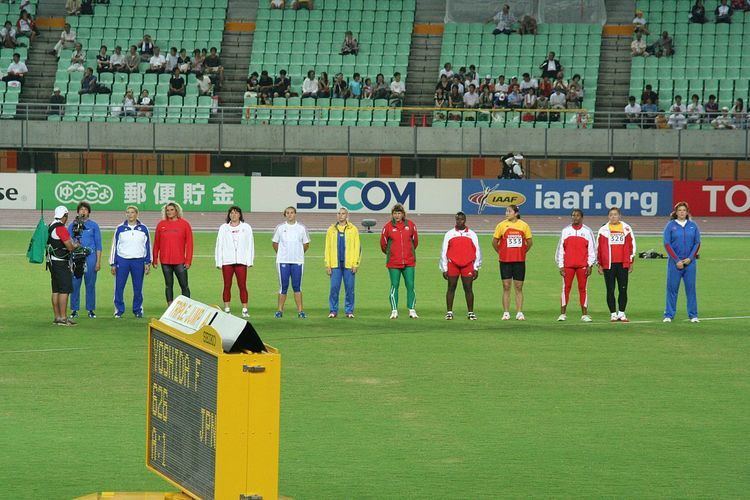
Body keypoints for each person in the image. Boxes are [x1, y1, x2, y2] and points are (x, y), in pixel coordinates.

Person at [492, 204, 533, 320]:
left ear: (516, 213)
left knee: (519, 287)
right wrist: (501, 252)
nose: (506, 213)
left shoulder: (524, 225)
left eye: (509, 211)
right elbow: (494, 242)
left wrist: (523, 252)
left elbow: (529, 242)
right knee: (506, 286)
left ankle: (519, 312)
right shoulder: (501, 225)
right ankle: (506, 312)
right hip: (505, 261)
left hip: (519, 261)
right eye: (506, 211)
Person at [110, 206, 151, 318]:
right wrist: (113, 263)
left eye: (132, 212)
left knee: (138, 287)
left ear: (137, 214)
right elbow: (114, 246)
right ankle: (119, 310)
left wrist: (148, 262)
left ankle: (137, 309)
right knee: (119, 286)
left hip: (138, 261)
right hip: (122, 260)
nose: (130, 214)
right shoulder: (120, 228)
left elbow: (148, 246)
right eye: (128, 212)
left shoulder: (143, 228)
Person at [555, 209, 596, 322]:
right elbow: (560, 250)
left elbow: (592, 250)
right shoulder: (565, 231)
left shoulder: (587, 231)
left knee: (583, 289)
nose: (575, 217)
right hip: (568, 266)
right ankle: (562, 314)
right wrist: (561, 266)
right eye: (573, 215)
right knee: (565, 289)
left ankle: (584, 315)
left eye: (577, 215)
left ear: (582, 217)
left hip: (582, 266)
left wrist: (590, 265)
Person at [663, 202, 701, 323]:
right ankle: (669, 315)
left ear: (687, 212)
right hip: (675, 264)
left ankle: (693, 315)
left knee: (691, 289)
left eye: (684, 210)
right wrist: (677, 260)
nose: (682, 212)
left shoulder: (693, 226)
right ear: (676, 212)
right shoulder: (670, 226)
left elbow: (697, 243)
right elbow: (667, 244)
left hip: (690, 263)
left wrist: (690, 258)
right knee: (672, 289)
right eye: (679, 210)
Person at [596, 207, 636, 322]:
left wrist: (631, 261)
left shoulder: (626, 228)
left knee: (623, 289)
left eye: (615, 214)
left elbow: (631, 245)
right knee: (610, 289)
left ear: (620, 216)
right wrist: (599, 264)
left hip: (622, 264)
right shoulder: (603, 230)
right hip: (608, 265)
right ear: (608, 217)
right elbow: (598, 248)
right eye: (611, 215)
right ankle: (613, 313)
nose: (613, 216)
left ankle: (622, 313)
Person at [440, 212, 481, 321]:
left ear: (465, 220)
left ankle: (471, 313)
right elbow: (444, 251)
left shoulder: (472, 234)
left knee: (468, 288)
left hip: (467, 265)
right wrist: (444, 268)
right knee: (451, 287)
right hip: (452, 264)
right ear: (455, 220)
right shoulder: (449, 234)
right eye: (458, 219)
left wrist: (476, 267)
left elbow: (477, 251)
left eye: (461, 219)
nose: (459, 221)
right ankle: (449, 312)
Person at [215, 206, 254, 318]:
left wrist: (249, 260)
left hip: (241, 261)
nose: (233, 215)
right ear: (229, 215)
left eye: (236, 213)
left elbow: (250, 244)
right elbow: (219, 244)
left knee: (242, 285)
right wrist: (219, 261)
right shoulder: (223, 228)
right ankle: (227, 308)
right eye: (231, 213)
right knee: (227, 285)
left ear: (240, 215)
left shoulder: (246, 227)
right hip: (227, 261)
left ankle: (245, 309)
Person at [380, 204, 419, 319]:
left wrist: (408, 253)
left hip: (409, 262)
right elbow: (383, 244)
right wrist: (391, 253)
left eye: (399, 213)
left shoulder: (411, 225)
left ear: (403, 214)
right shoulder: (387, 227)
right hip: (393, 263)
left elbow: (415, 242)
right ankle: (394, 310)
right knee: (394, 285)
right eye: (395, 213)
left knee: (410, 285)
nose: (397, 215)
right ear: (392, 214)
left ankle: (412, 310)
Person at [272, 207, 310, 319]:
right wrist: (282, 255)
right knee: (283, 286)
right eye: (287, 213)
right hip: (283, 261)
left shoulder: (301, 228)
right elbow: (275, 243)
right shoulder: (280, 228)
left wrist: (298, 254)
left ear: (295, 214)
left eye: (292, 213)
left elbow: (306, 244)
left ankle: (300, 311)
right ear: (285, 215)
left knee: (297, 286)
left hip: (297, 261)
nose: (290, 215)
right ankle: (279, 311)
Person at [152, 202, 193, 306]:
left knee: (184, 285)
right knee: (168, 285)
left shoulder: (184, 224)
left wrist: (188, 260)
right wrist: (155, 259)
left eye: (171, 210)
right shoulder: (161, 225)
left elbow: (190, 244)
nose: (169, 212)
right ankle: (170, 307)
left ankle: (186, 306)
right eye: (167, 210)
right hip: (165, 261)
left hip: (180, 261)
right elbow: (156, 243)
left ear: (177, 211)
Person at [324, 208, 361, 319]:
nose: (341, 216)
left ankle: (349, 311)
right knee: (334, 288)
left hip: (349, 265)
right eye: (339, 213)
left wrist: (356, 264)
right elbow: (327, 248)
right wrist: (327, 264)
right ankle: (333, 310)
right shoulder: (331, 230)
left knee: (350, 289)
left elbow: (357, 248)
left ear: (347, 215)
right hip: (335, 265)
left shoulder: (353, 229)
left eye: (343, 214)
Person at [67, 201, 102, 319]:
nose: (83, 211)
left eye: (85, 209)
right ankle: (74, 310)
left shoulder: (94, 226)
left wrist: (98, 262)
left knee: (90, 284)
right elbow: (67, 243)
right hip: (76, 257)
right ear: (78, 212)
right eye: (81, 209)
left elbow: (99, 245)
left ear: (89, 212)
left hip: (90, 257)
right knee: (75, 284)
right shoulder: (72, 226)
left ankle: (90, 309)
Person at [48, 206, 80, 326]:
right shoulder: (61, 228)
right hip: (61, 262)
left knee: (56, 290)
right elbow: (70, 247)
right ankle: (63, 318)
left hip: (52, 262)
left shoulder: (51, 225)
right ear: (64, 216)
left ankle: (57, 317)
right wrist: (76, 245)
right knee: (64, 290)